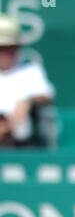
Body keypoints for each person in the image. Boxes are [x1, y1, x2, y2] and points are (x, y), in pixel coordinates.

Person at [0, 13, 55, 147]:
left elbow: (46, 95)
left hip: (21, 143)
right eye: (1, 48)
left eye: (10, 47)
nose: (6, 53)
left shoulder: (31, 71)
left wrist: (27, 101)